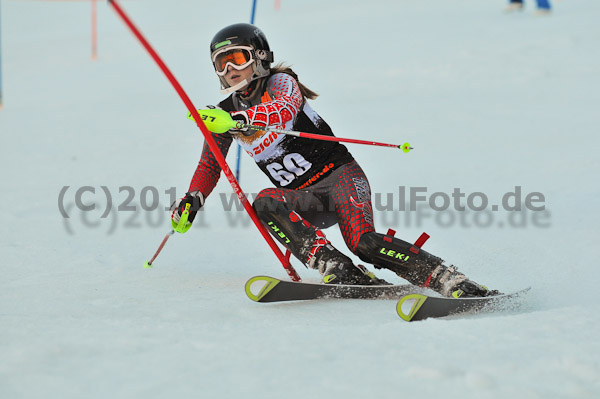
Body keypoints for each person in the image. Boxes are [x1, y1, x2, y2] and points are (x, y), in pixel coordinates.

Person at [171, 23, 498, 298]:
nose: (230, 70)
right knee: (265, 202)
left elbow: (283, 111)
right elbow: (210, 165)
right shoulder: (222, 114)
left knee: (364, 242)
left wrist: (239, 121)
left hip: (340, 178)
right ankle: (335, 267)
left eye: (237, 58)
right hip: (305, 199)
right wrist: (193, 198)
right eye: (220, 63)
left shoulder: (281, 83)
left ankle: (449, 279)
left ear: (259, 58)